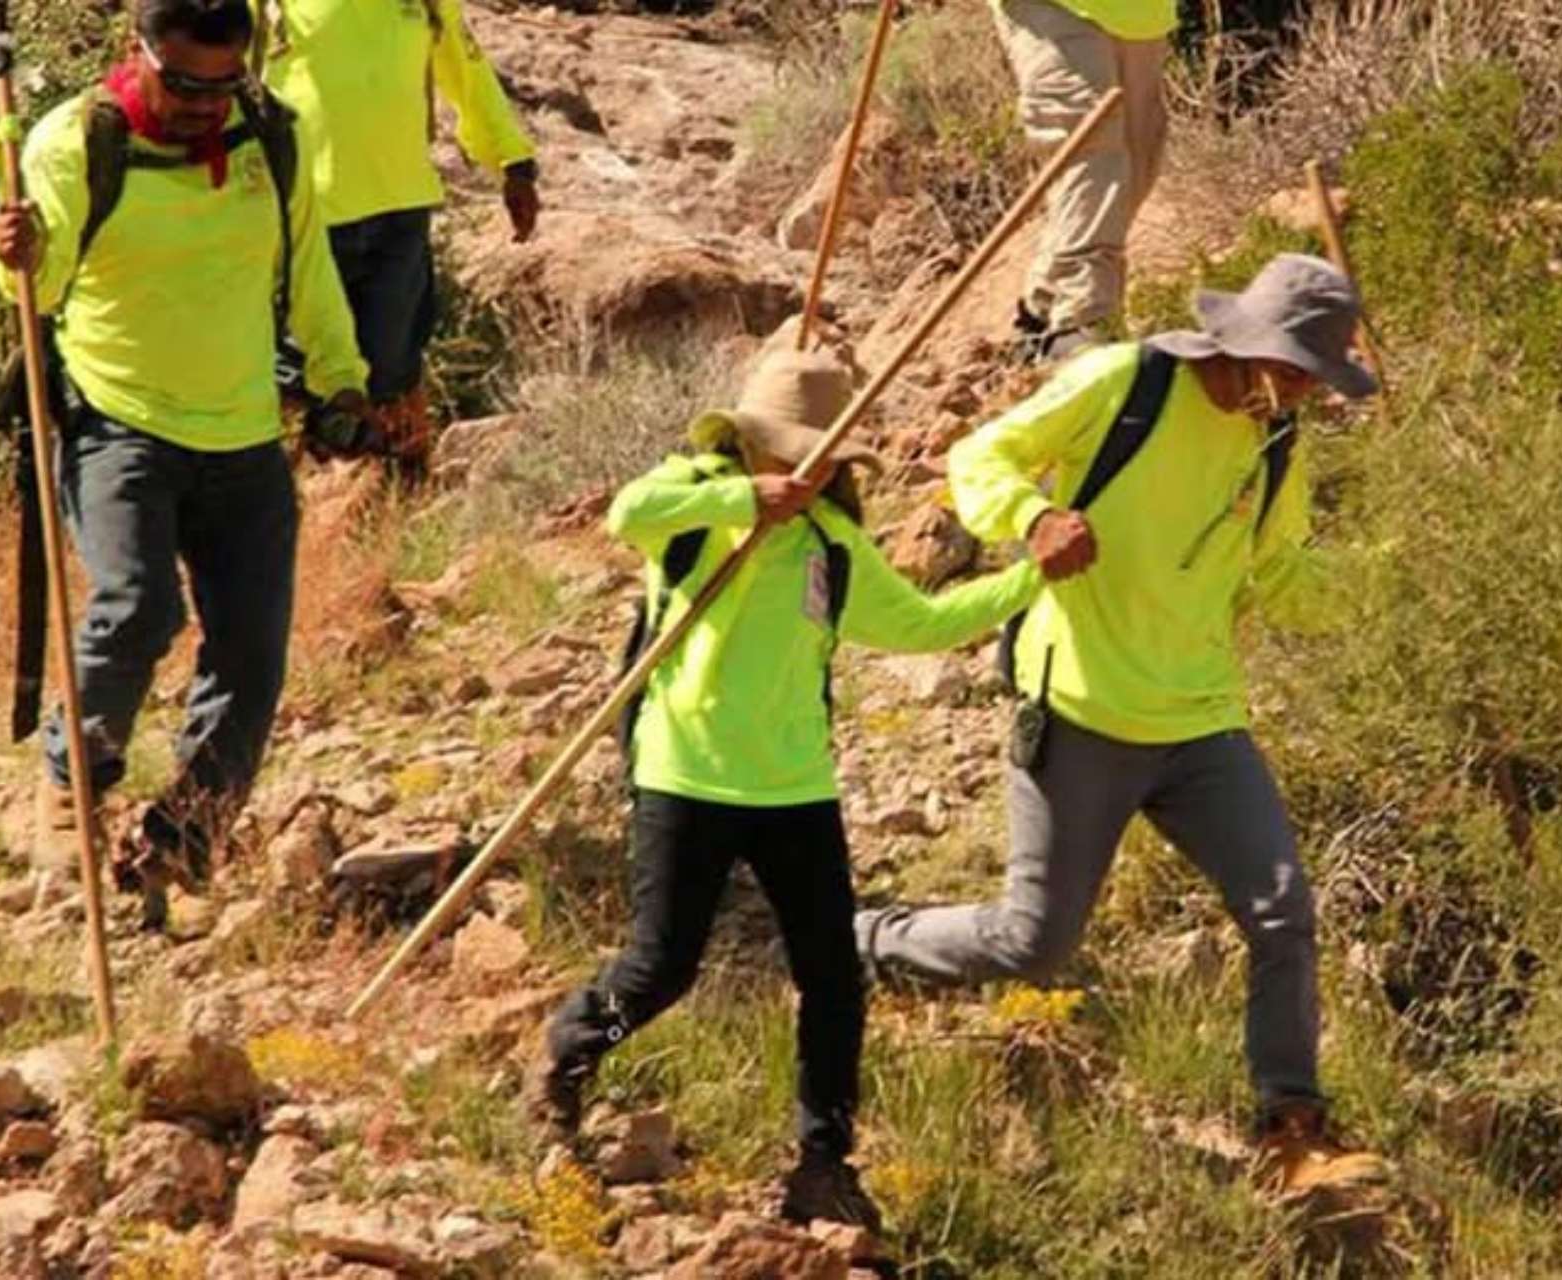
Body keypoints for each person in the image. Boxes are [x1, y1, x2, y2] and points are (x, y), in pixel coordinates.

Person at [856, 254, 1390, 1192]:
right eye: (1302, 372)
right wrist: (1033, 518)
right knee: (1035, 944)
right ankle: (864, 940)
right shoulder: (1127, 382)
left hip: (1201, 720)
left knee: (1283, 914)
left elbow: (1280, 574)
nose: (1308, 394)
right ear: (1255, 348)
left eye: (1317, 379)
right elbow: (980, 456)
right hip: (1082, 709)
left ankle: (1292, 1128)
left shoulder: (1275, 441)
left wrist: (1394, 578)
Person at [529, 344, 1044, 1230]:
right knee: (661, 971)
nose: (804, 470)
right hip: (684, 771)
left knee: (834, 979)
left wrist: (1034, 576)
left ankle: (823, 1158)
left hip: (796, 786)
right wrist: (744, 500)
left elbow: (923, 623)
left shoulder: (831, 543)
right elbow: (625, 513)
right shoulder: (697, 493)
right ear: (750, 440)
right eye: (788, 451)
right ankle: (571, 1052)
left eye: (818, 458)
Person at [0, 0, 372, 928]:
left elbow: (307, 264)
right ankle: (69, 787)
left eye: (223, 84)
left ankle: (182, 842)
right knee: (138, 607)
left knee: (252, 653)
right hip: (119, 422)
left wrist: (342, 379)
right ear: (140, 51)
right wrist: (15, 256)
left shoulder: (270, 134)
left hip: (243, 431)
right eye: (186, 83)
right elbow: (40, 280)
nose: (205, 103)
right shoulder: (76, 141)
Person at [259, 0, 539, 466]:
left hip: (400, 217)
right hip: (304, 219)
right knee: (287, 380)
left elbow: (468, 72)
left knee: (395, 378)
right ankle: (261, 499)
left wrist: (514, 162)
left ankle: (401, 498)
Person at [996, 0, 1176, 362]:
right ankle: (1083, 316)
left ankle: (1042, 309)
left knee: (1137, 162)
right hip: (1052, 8)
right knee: (1090, 142)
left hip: (1141, 13)